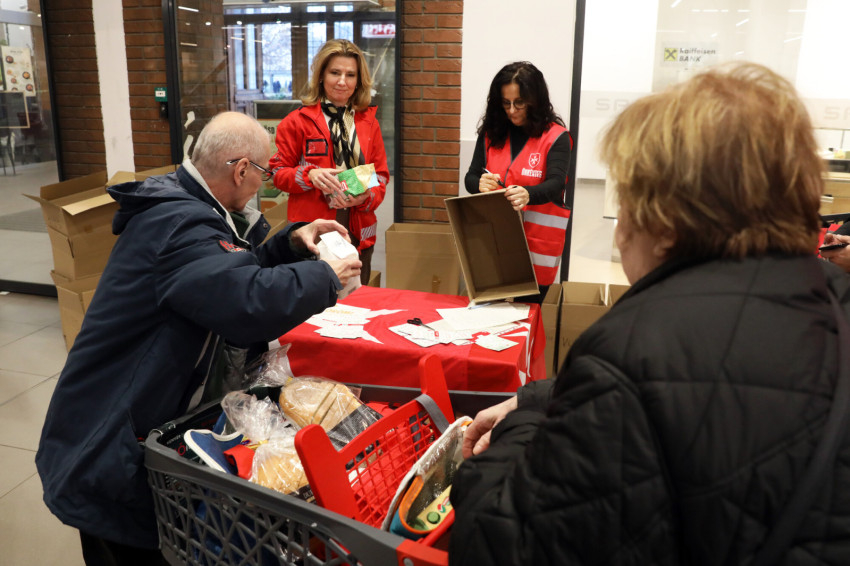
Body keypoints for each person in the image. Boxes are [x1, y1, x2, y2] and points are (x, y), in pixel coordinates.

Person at [449, 63, 850, 565]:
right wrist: (544, 396)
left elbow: (496, 544)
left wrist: (523, 425)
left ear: (664, 222)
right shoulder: (833, 297)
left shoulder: (629, 354)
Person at [36, 111, 361, 566]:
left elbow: (226, 270)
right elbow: (242, 304)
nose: (264, 184)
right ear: (241, 169)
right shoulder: (180, 224)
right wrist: (324, 276)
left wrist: (289, 244)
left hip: (120, 423)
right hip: (107, 443)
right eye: (263, 172)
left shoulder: (191, 210)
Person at [269, 39, 389, 285]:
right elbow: (278, 174)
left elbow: (380, 176)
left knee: (355, 303)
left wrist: (366, 197)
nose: (342, 81)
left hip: (358, 233)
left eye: (350, 75)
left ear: (359, 80)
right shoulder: (297, 122)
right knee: (314, 303)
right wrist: (309, 175)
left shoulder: (369, 123)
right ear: (321, 75)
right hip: (314, 236)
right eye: (335, 72)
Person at [464, 61, 573, 302]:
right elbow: (470, 177)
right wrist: (479, 184)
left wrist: (528, 194)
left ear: (535, 100)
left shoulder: (556, 137)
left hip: (537, 248)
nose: (512, 110)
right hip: (495, 243)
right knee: (489, 315)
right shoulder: (491, 134)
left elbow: (556, 183)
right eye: (506, 103)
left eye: (519, 103)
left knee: (527, 316)